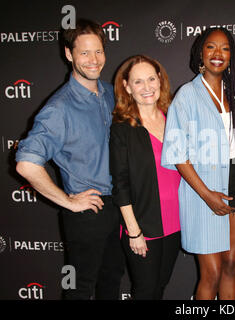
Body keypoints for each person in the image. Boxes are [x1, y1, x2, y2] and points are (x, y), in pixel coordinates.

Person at [15, 19, 125, 299]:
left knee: (111, 285)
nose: (93, 60)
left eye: (98, 51)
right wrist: (68, 201)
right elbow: (26, 163)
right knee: (80, 290)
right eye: (84, 52)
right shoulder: (59, 108)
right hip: (87, 213)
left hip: (120, 207)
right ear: (69, 54)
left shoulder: (111, 94)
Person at [160, 27, 235, 300]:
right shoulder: (187, 95)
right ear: (200, 54)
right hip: (203, 189)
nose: (218, 53)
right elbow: (177, 154)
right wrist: (206, 195)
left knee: (231, 266)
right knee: (212, 273)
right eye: (211, 47)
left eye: (225, 48)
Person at [109, 55, 181, 299]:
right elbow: (120, 184)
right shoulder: (122, 128)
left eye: (151, 78)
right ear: (127, 87)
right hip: (143, 226)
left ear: (160, 80)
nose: (147, 87)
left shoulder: (173, 117)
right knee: (145, 291)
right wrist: (133, 231)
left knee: (160, 287)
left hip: (176, 222)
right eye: (138, 82)